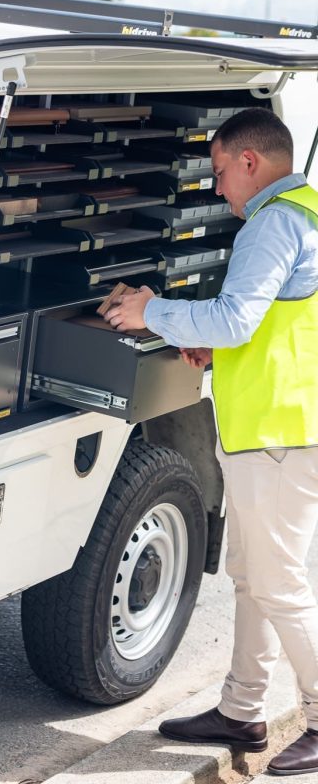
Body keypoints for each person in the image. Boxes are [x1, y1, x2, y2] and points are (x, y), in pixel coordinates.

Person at [104, 106, 318, 776]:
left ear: (250, 161)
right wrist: (217, 350)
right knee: (254, 580)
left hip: (281, 434)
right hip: (280, 427)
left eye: (221, 172)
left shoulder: (274, 222)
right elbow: (280, 326)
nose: (219, 190)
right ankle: (241, 709)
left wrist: (151, 311)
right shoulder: (308, 211)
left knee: (278, 585)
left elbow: (236, 318)